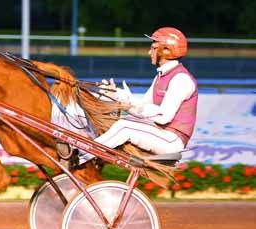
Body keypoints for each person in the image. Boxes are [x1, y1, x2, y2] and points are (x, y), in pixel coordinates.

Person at [79, 27, 198, 165]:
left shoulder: (181, 79)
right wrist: (117, 96)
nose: (149, 52)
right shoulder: (161, 76)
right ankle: (86, 153)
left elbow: (163, 117)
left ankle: (80, 155)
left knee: (125, 127)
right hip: (161, 133)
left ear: (166, 50)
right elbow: (141, 109)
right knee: (121, 121)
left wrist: (130, 102)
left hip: (171, 140)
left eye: (153, 48)